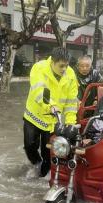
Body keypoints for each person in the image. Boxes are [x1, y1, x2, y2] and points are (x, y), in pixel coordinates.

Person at [23, 47, 78, 177]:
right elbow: (39, 91)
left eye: (67, 65)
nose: (64, 69)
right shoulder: (39, 68)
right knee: (29, 145)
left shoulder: (70, 74)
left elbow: (71, 103)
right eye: (61, 66)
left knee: (49, 151)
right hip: (34, 116)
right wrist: (51, 106)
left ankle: (45, 174)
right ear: (52, 62)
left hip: (54, 120)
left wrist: (70, 123)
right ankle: (36, 163)